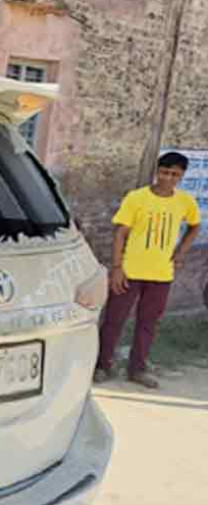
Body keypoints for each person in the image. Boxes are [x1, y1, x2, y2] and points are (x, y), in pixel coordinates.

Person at [94, 151, 201, 389]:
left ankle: (137, 369)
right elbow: (120, 234)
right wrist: (117, 268)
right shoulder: (137, 198)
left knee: (148, 323)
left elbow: (195, 226)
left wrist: (181, 252)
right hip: (130, 272)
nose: (168, 178)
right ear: (157, 171)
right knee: (114, 320)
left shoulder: (185, 202)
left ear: (181, 176)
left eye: (174, 175)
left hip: (162, 274)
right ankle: (102, 365)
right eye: (164, 172)